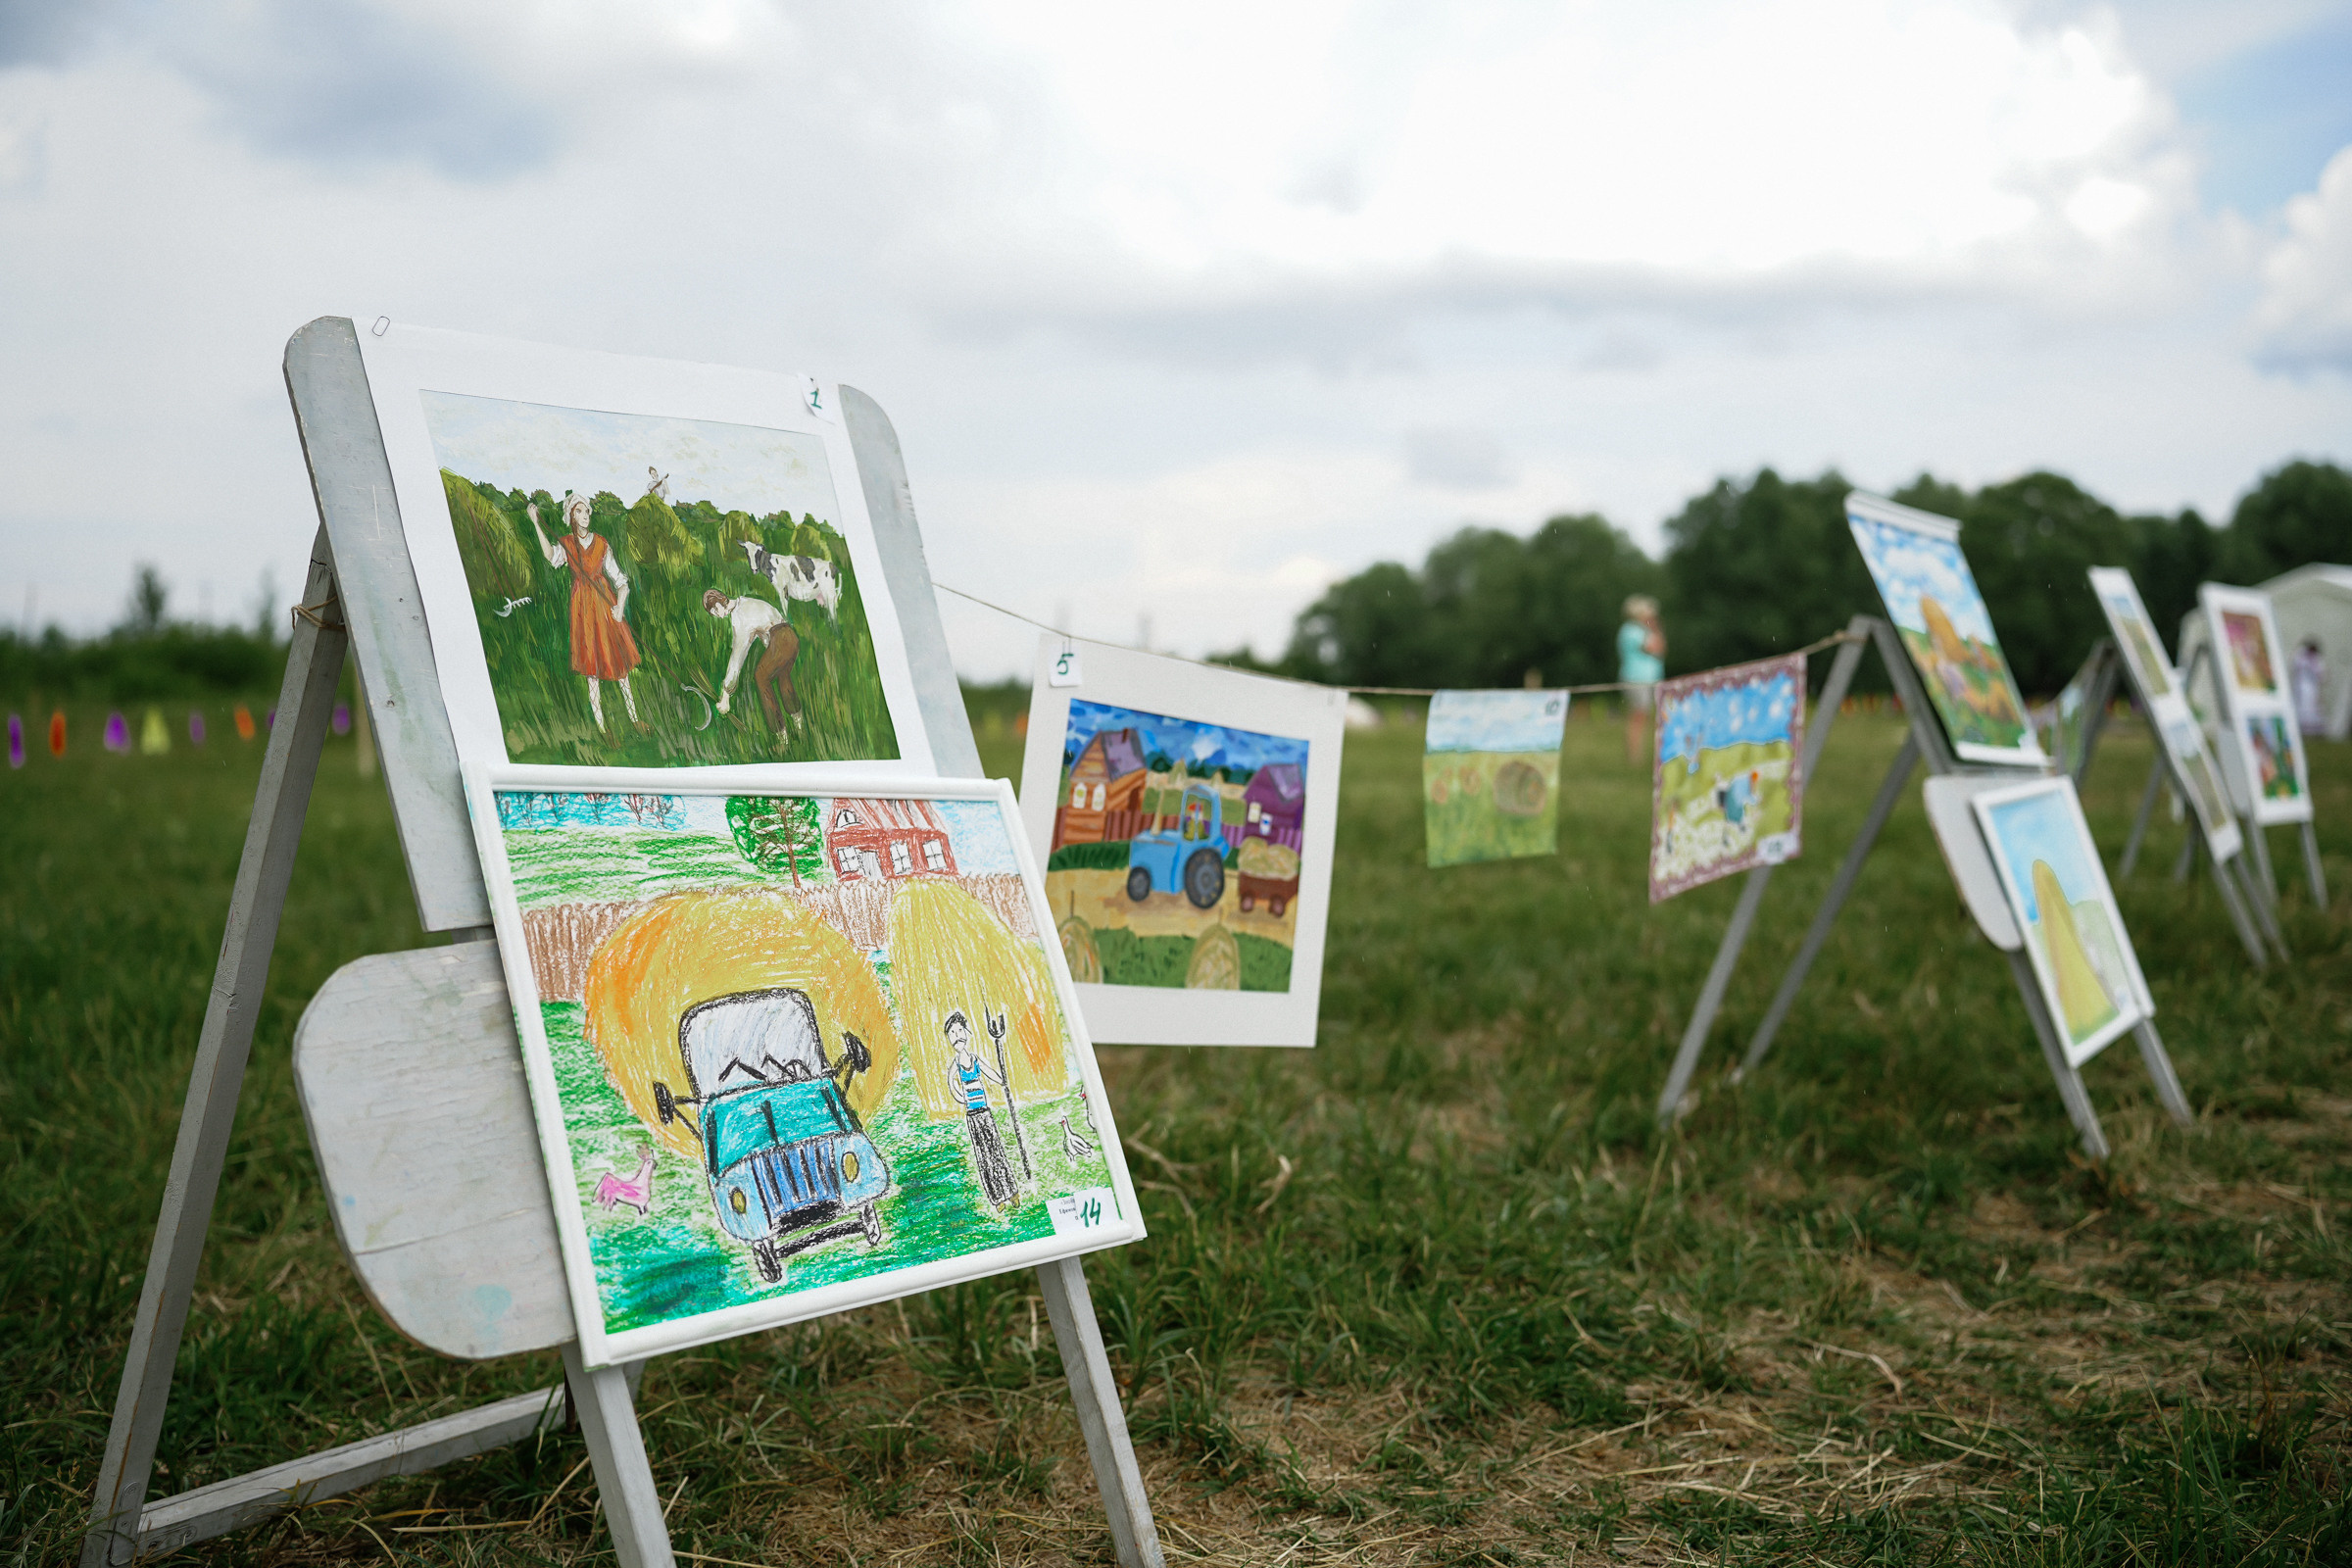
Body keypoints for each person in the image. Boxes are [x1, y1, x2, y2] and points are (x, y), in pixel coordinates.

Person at [528, 494, 644, 734]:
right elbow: (551, 557)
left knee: (620, 667)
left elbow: (621, 581)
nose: (585, 516)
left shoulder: (602, 543)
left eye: (587, 512)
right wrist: (536, 523)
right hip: (583, 611)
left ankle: (635, 720)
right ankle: (603, 729)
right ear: (571, 515)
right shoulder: (567, 544)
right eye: (579, 512)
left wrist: (620, 606)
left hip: (606, 608)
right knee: (592, 672)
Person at [705, 588, 803, 735]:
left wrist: (726, 694)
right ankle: (798, 724)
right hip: (791, 638)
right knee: (783, 676)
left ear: (718, 603)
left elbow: (737, 656)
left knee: (761, 676)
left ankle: (780, 733)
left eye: (715, 611)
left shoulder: (740, 616)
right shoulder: (746, 602)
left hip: (781, 640)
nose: (717, 616)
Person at [945, 1011, 1015, 1208]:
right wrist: (962, 1098)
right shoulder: (956, 1064)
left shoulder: (974, 1059)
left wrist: (1002, 1080)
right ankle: (996, 1198)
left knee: (996, 1150)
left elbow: (989, 1071)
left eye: (959, 1030)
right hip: (973, 1115)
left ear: (966, 1033)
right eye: (952, 1032)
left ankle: (1010, 1191)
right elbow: (951, 1083)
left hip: (985, 1111)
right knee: (983, 1155)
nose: (957, 1035)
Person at [1618, 594, 1665, 763]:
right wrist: (1654, 627)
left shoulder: (1642, 630)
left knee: (1643, 716)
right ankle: (1634, 756)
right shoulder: (1631, 630)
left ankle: (1639, 755)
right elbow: (1653, 648)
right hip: (1636, 678)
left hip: (1648, 679)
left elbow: (1661, 648)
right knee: (1638, 716)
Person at [2292, 636, 2326, 736]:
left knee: (2311, 706)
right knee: (2303, 705)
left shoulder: (2314, 658)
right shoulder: (2301, 656)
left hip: (2311, 686)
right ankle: (2303, 727)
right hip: (2302, 686)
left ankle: (2310, 729)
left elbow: (2320, 673)